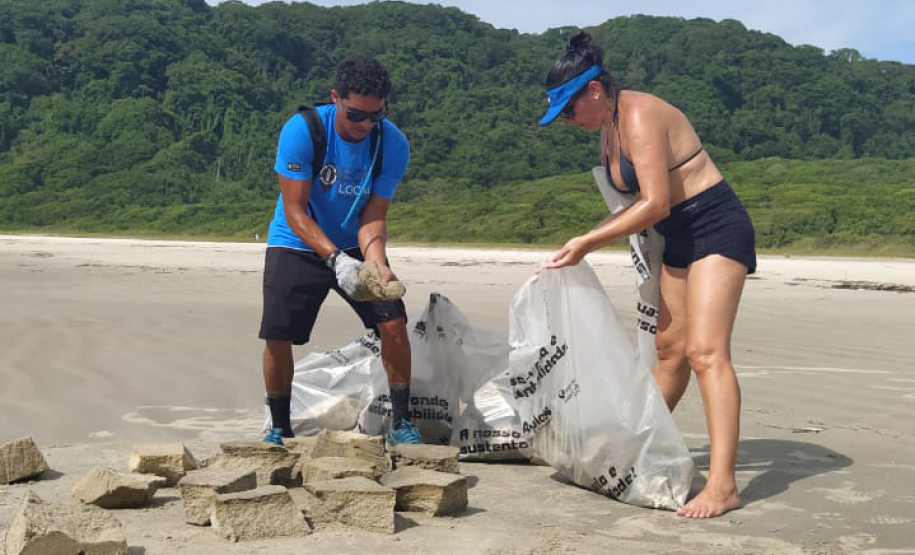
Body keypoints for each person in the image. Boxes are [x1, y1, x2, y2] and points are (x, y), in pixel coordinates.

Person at [538, 32, 756, 518]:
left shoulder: (637, 116)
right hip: (676, 236)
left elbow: (655, 202)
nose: (568, 122)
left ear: (594, 90)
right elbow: (632, 209)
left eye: (568, 111)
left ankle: (723, 485)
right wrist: (578, 242)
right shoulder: (607, 128)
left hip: (715, 225)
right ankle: (641, 445)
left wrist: (589, 243)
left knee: (705, 352)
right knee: (669, 349)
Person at [258, 56, 422, 447]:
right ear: (336, 98)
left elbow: (374, 215)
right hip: (297, 241)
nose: (364, 125)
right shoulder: (304, 130)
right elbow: (295, 211)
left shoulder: (392, 144)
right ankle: (279, 427)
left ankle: (401, 421)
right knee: (279, 334)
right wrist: (336, 261)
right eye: (355, 115)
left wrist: (376, 264)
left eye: (374, 116)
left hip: (355, 243)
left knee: (393, 323)